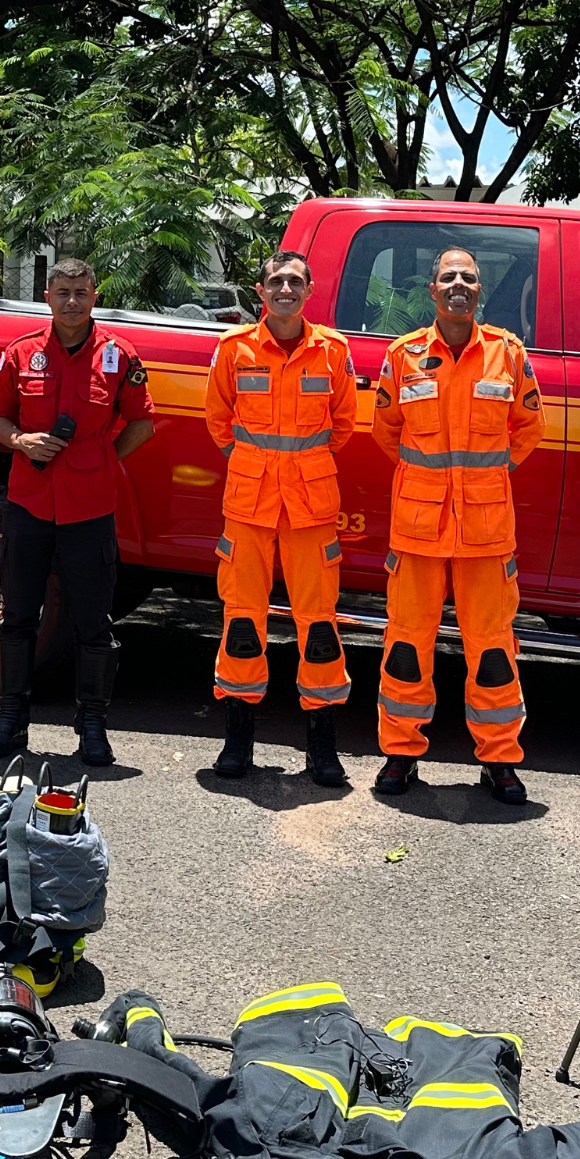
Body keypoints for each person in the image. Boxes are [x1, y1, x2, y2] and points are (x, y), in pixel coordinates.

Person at [369, 247, 545, 803]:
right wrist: (428, 482)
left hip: (486, 531)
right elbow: (385, 429)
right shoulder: (403, 356)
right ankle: (400, 754)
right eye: (448, 277)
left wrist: (487, 477)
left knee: (493, 649)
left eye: (468, 277)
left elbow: (528, 426)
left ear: (479, 290)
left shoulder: (507, 354)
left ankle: (499, 759)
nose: (458, 285)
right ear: (433, 290)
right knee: (406, 643)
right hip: (418, 528)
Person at [0, 258, 155, 767]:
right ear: (47, 297)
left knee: (93, 621)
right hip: (29, 503)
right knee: (17, 616)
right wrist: (21, 440)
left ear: (95, 295)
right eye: (63, 292)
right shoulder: (21, 353)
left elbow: (143, 422)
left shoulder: (119, 355)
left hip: (90, 507)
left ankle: (93, 725)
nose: (72, 301)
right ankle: (10, 720)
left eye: (81, 292)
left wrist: (101, 458)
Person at [203, 249, 359, 783]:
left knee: (319, 624)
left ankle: (322, 747)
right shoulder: (234, 349)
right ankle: (238, 740)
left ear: (309, 289)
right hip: (250, 503)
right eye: (276, 282)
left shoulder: (333, 351)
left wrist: (301, 466)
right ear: (261, 291)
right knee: (242, 619)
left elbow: (343, 424)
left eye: (295, 281)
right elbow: (219, 420)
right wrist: (255, 465)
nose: (285, 290)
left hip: (311, 505)